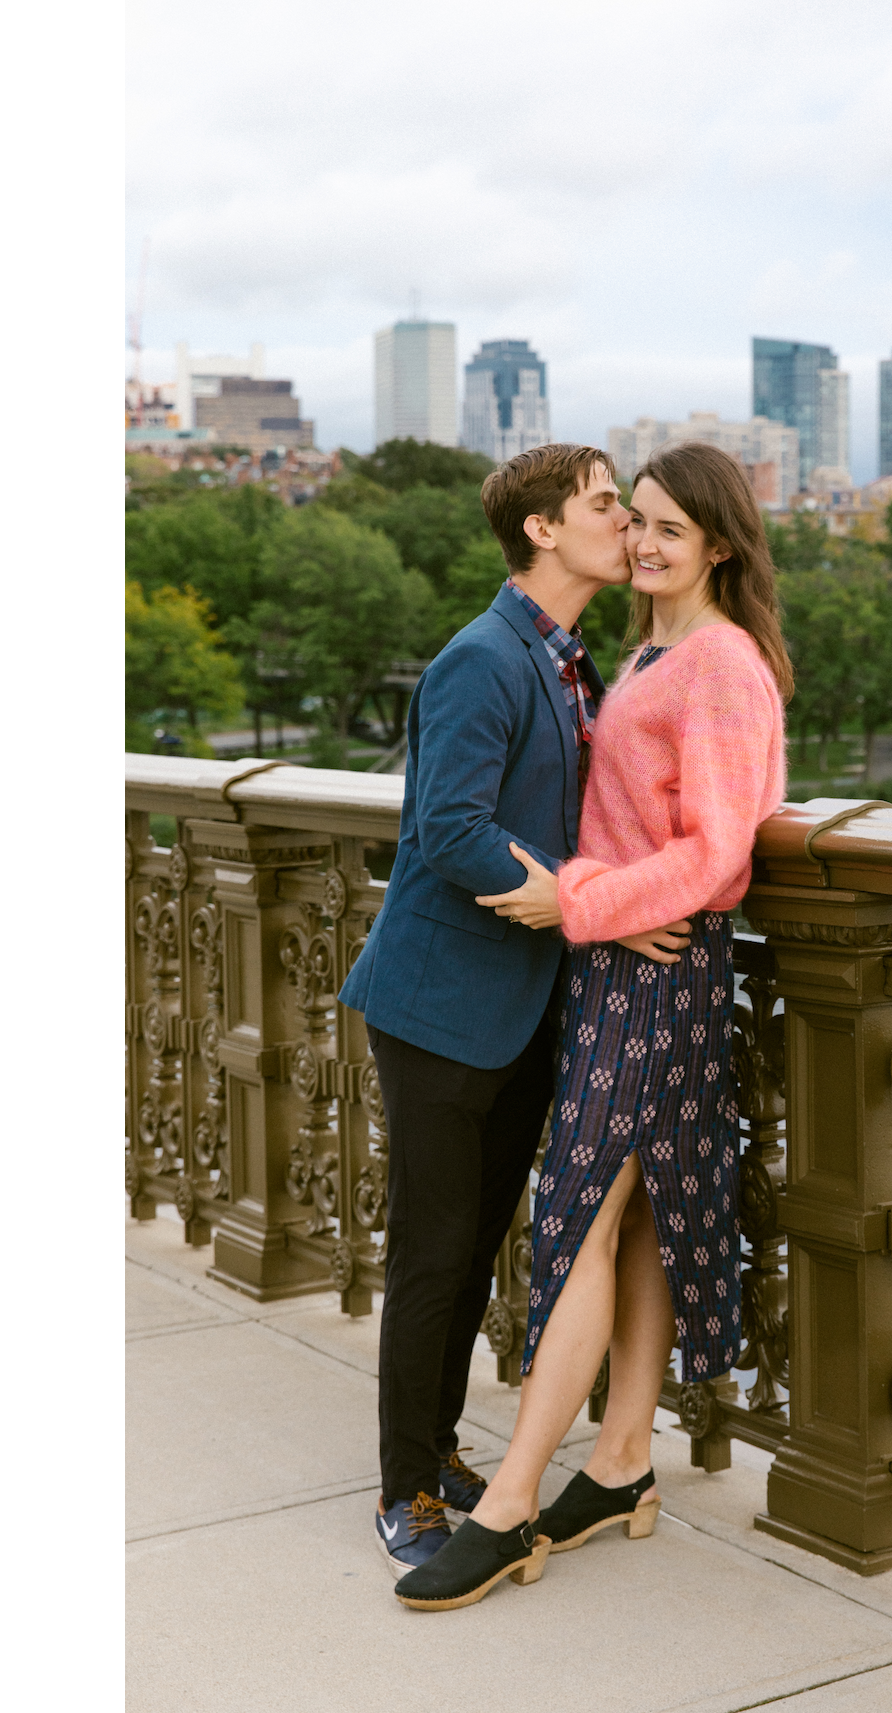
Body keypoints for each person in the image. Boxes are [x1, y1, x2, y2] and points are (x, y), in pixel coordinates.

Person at [389, 441, 791, 1612]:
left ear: (719, 542)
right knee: (637, 1217)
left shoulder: (716, 663)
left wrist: (576, 902)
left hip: (653, 968)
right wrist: (595, 910)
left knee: (576, 1219)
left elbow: (719, 852)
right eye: (635, 521)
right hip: (623, 965)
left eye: (667, 526)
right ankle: (619, 1463)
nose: (643, 540)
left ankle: (512, 1500)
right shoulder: (651, 648)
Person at [338, 443, 695, 1587]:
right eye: (605, 507)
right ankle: (408, 1489)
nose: (625, 529)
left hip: (519, 1008)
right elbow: (446, 833)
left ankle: (439, 1445)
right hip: (443, 1006)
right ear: (542, 529)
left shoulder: (571, 658)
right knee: (437, 1252)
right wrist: (594, 910)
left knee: (477, 1240)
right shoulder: (481, 659)